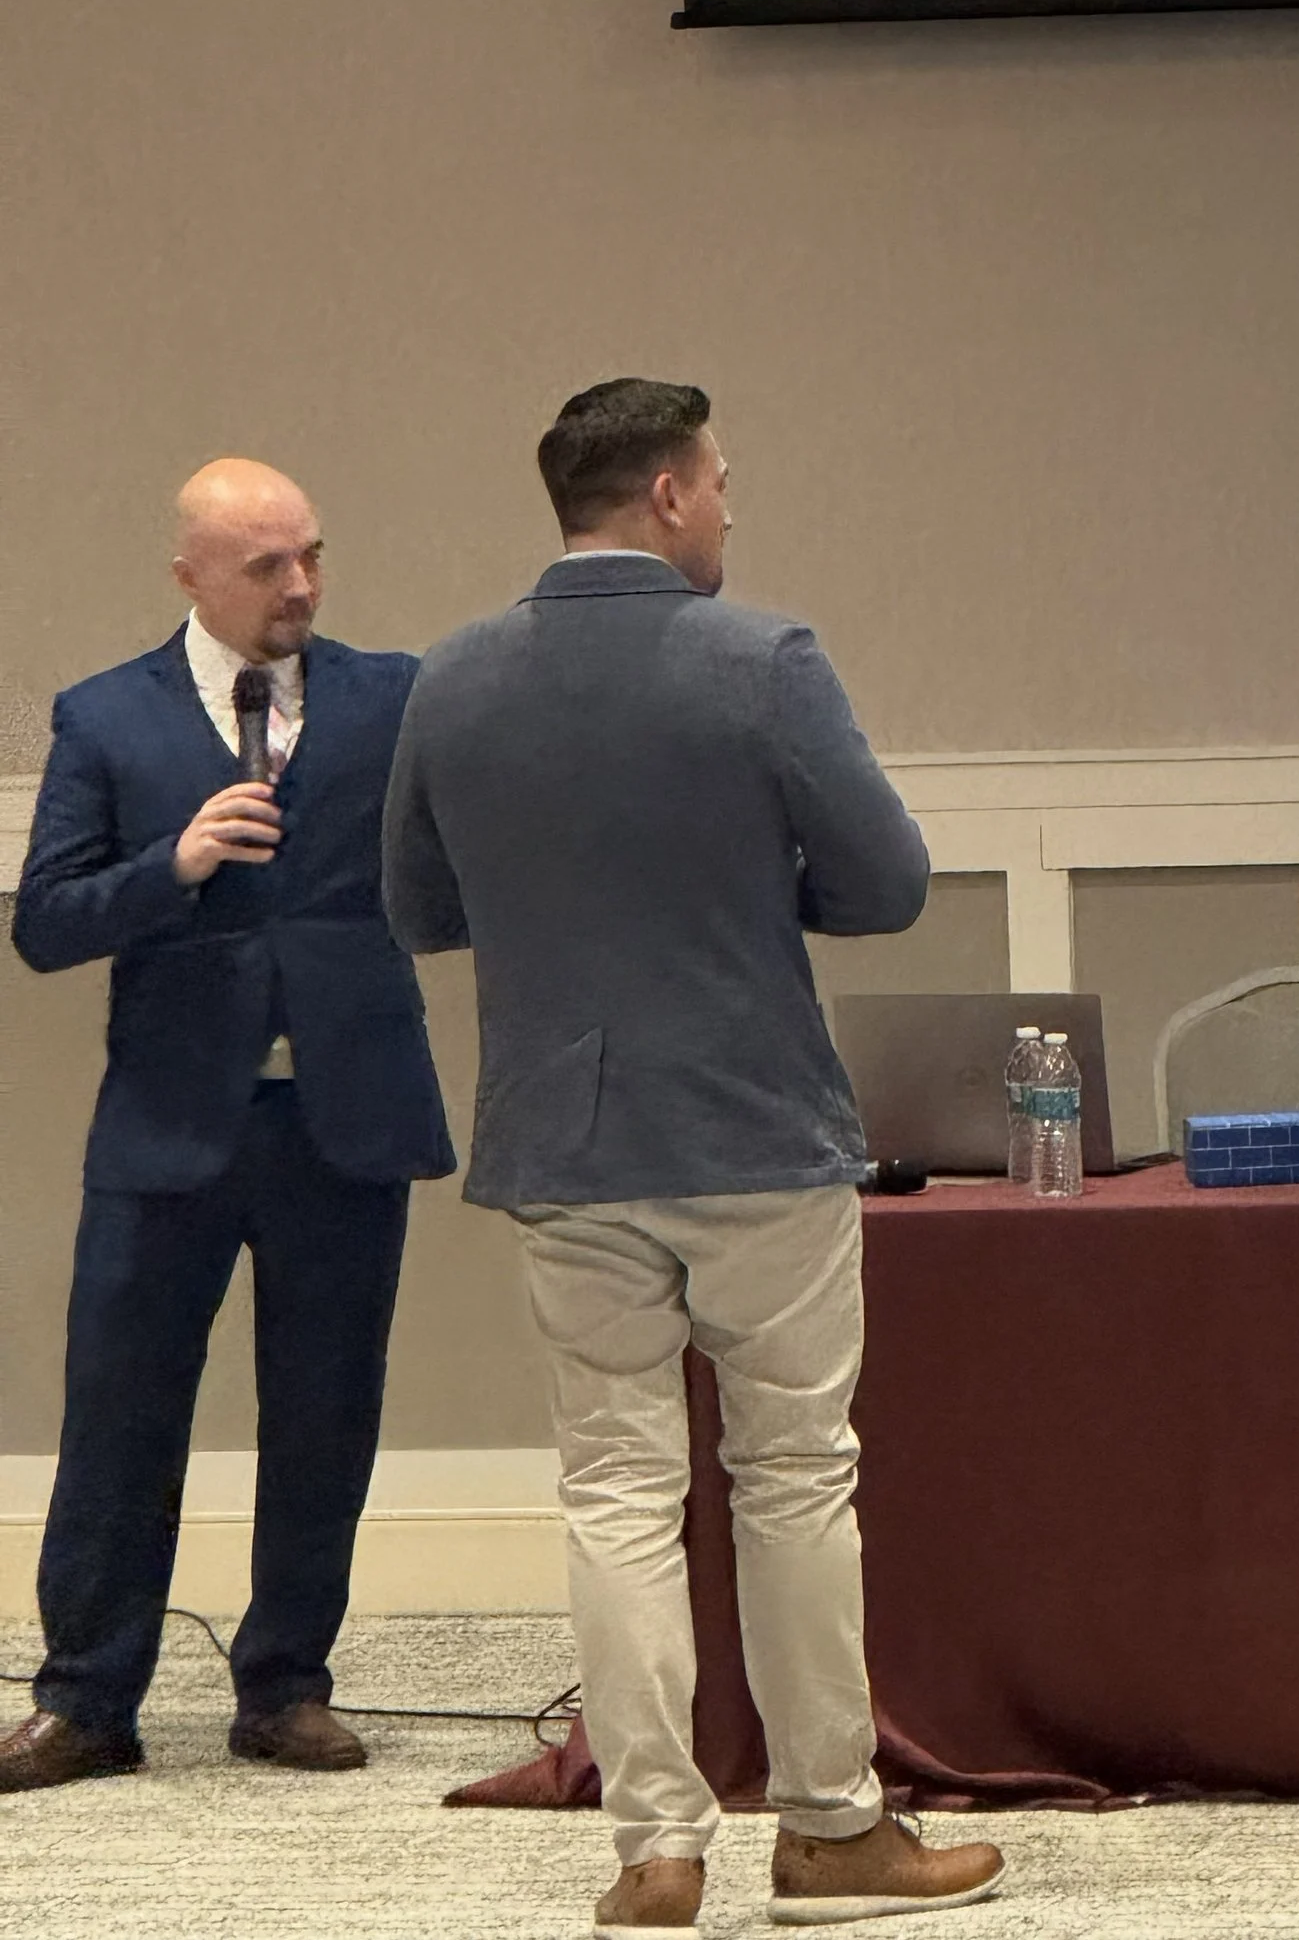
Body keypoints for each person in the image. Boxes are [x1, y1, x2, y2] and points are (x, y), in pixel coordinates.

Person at [382, 379, 1003, 1935]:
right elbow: (889, 883)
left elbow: (418, 911)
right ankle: (833, 1832)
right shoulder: (763, 660)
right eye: (721, 482)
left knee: (612, 1492)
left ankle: (654, 1848)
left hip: (563, 1137)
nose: (730, 507)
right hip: (749, 1126)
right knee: (793, 1478)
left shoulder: (447, 680)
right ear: (665, 494)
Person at [2, 460, 454, 1792]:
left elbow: (453, 863)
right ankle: (88, 1698)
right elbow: (44, 926)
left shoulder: (393, 697)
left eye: (311, 555)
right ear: (191, 574)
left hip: (345, 1114)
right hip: (168, 1125)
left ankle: (286, 1685)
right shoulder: (105, 717)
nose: (300, 586)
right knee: (119, 1414)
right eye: (267, 566)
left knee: (326, 1409)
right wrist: (177, 864)